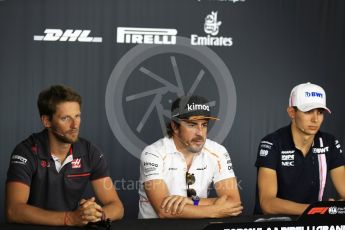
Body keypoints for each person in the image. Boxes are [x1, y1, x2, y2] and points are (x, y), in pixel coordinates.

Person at [5, 85, 124, 226]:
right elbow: (13, 211)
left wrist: (94, 214)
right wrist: (70, 218)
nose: (75, 125)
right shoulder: (26, 152)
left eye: (77, 116)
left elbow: (117, 207)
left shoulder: (90, 152)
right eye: (65, 118)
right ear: (46, 121)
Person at [138, 95, 243, 219]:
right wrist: (216, 211)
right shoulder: (153, 153)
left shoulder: (217, 151)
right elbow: (164, 211)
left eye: (204, 125)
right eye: (192, 125)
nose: (200, 133)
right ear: (175, 127)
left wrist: (193, 201)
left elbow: (234, 203)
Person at [255, 82, 345, 215]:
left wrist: (335, 208)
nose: (315, 119)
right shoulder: (272, 142)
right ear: (292, 112)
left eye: (320, 112)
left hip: (315, 223)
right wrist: (317, 210)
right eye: (308, 111)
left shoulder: (329, 142)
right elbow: (267, 204)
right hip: (277, 224)